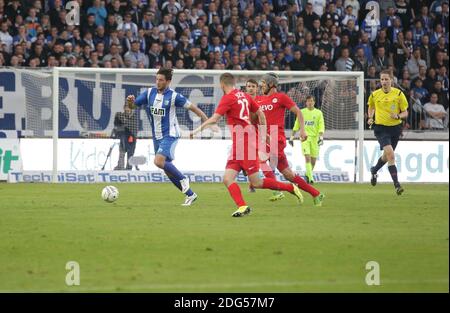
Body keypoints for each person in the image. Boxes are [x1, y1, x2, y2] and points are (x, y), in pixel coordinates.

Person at [191, 73, 304, 217]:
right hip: (239, 145)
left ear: (222, 85)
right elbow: (261, 114)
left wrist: (196, 131)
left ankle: (290, 188)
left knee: (256, 182)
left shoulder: (228, 98)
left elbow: (214, 118)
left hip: (246, 145)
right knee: (227, 178)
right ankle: (243, 206)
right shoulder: (245, 96)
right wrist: (264, 135)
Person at [126, 67, 208, 206]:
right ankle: (190, 194)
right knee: (167, 169)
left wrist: (206, 120)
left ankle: (184, 179)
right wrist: (130, 101)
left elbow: (193, 107)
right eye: (157, 79)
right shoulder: (149, 93)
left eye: (161, 80)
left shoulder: (174, 96)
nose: (158, 82)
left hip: (170, 134)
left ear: (168, 81)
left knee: (158, 162)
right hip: (156, 136)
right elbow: (133, 107)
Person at [256, 73, 325, 205]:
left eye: (263, 83)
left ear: (271, 84)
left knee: (261, 158)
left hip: (277, 137)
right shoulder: (258, 100)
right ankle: (316, 194)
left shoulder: (281, 97)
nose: (261, 86)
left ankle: (277, 191)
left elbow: (298, 112)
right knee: (288, 174)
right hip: (265, 138)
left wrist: (303, 130)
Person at [368, 69, 409, 195]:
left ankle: (374, 170)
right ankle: (397, 185)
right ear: (380, 81)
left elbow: (405, 112)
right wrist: (370, 117)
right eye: (382, 79)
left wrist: (398, 116)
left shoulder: (398, 94)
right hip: (380, 128)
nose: (384, 82)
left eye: (386, 79)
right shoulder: (375, 94)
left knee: (386, 157)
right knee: (391, 155)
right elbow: (371, 106)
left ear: (391, 80)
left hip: (395, 128)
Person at [244, 78, 285, 201]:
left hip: (258, 136)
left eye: (253, 86)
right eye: (248, 86)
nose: (251, 88)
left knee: (261, 161)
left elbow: (262, 119)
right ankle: (252, 184)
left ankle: (277, 190)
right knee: (248, 163)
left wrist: (265, 136)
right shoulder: (243, 101)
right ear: (246, 88)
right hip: (246, 136)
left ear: (257, 89)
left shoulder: (260, 102)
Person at [289, 96, 325, 184]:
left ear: (314, 102)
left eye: (311, 101)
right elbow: (296, 124)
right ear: (306, 102)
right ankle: (311, 178)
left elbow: (321, 125)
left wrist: (321, 137)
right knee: (307, 157)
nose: (310, 103)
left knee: (313, 161)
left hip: (315, 139)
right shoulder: (301, 112)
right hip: (304, 138)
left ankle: (308, 174)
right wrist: (292, 137)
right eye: (308, 101)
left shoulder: (318, 113)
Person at [113, 102, 138, 170]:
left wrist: (132, 136)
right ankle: (120, 166)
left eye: (129, 107)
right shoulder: (120, 115)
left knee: (130, 153)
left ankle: (129, 168)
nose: (127, 109)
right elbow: (116, 124)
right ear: (124, 108)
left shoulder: (134, 116)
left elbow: (134, 128)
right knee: (122, 151)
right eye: (126, 107)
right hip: (123, 136)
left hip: (131, 138)